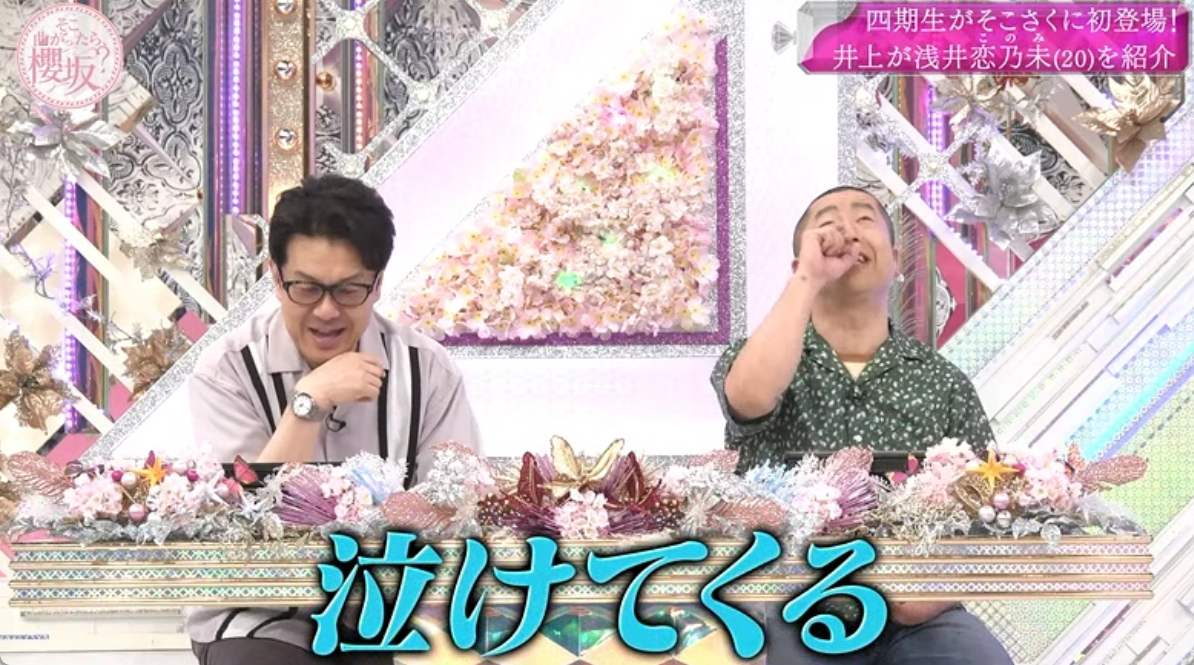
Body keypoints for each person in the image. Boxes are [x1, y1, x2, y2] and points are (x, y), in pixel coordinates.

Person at [186, 175, 481, 664]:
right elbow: (243, 529)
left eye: (348, 290)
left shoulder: (428, 370)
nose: (326, 311)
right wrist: (309, 403)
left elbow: (454, 509)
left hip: (386, 604)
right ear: (275, 277)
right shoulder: (227, 370)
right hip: (258, 611)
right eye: (305, 288)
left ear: (377, 284)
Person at [710, 185, 1012, 664]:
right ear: (800, 261)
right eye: (827, 221)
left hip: (919, 615)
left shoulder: (942, 381)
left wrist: (929, 595)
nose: (847, 230)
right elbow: (749, 397)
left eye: (865, 219)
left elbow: (987, 506)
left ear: (895, 261)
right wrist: (809, 278)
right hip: (798, 604)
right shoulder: (763, 358)